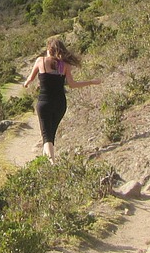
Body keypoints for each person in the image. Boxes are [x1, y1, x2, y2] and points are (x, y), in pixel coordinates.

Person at [21, 36, 100, 164]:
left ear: (48, 49)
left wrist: (25, 84)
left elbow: (30, 79)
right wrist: (91, 82)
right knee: (50, 134)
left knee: (47, 136)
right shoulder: (65, 65)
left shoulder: (40, 61)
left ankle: (52, 163)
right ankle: (44, 162)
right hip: (60, 104)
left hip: (44, 103)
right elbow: (72, 84)